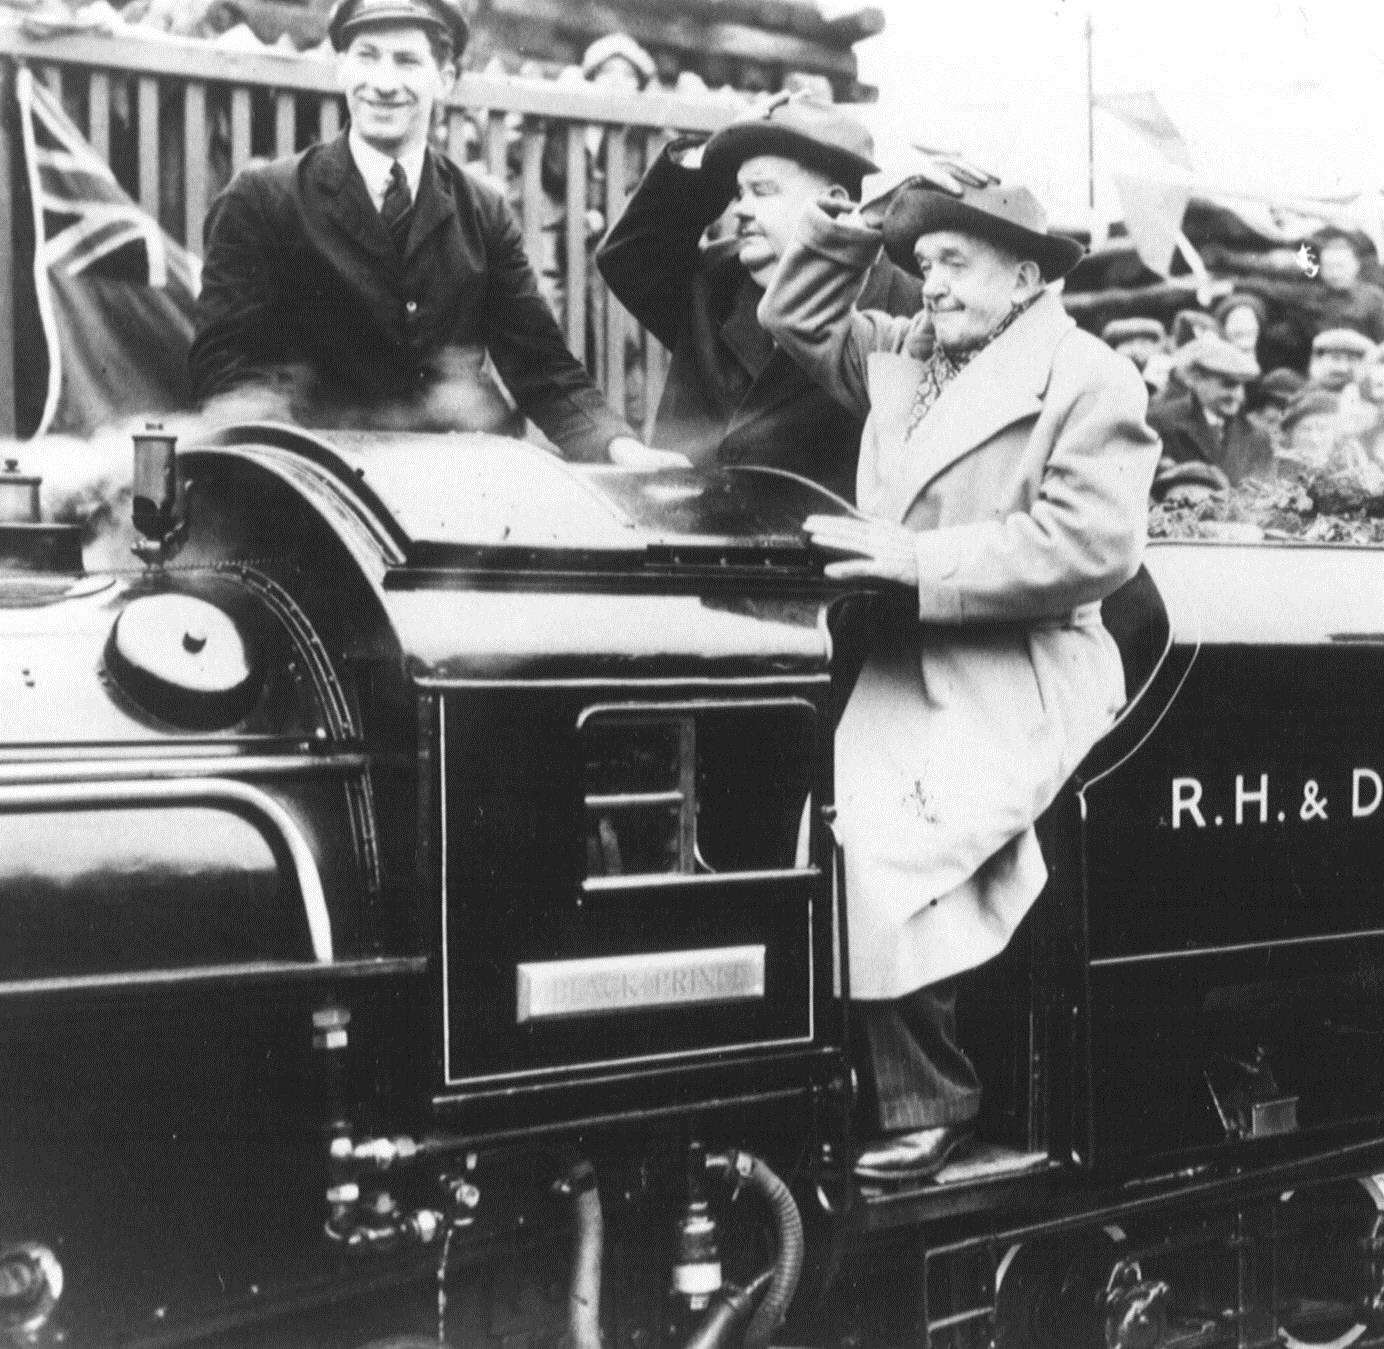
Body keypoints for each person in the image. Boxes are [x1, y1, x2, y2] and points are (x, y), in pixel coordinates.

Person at [759, 179, 1159, 1180]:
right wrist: (858, 224)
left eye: (953, 263)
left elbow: (1091, 544)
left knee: (874, 842)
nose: (929, 282)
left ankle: (928, 1100)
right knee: (800, 828)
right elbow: (790, 313)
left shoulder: (1088, 375)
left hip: (1022, 661)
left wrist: (919, 563)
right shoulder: (903, 356)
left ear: (1024, 276)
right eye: (922, 262)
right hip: (900, 656)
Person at [189, 0, 654, 465]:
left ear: (446, 78)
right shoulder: (263, 199)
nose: (384, 83)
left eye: (407, 61)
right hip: (320, 491)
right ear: (340, 69)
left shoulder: (483, 212)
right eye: (366, 56)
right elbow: (224, 374)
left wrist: (623, 447)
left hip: (452, 487)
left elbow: (543, 367)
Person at [596, 96, 923, 501]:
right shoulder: (716, 281)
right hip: (686, 540)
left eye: (762, 191)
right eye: (737, 192)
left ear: (835, 202)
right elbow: (629, 257)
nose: (738, 211)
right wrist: (711, 156)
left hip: (814, 554)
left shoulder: (905, 305)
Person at [1149, 335, 1273, 488]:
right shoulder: (1161, 423)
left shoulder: (1258, 437)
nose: (1237, 395)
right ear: (1197, 378)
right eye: (1228, 385)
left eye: (1242, 386)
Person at [1312, 229, 1384, 343]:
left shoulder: (1374, 300)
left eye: (1340, 266)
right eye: (1328, 267)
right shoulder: (1314, 300)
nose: (1334, 274)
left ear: (1356, 266)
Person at [1100, 317, 1167, 396]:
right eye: (1128, 343)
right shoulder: (1108, 378)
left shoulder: (1162, 368)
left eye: (1143, 342)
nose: (1136, 349)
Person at [1307, 328, 1375, 394]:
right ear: (1320, 360)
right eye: (1336, 358)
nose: (1343, 368)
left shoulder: (1366, 400)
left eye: (1351, 359)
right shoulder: (1306, 396)